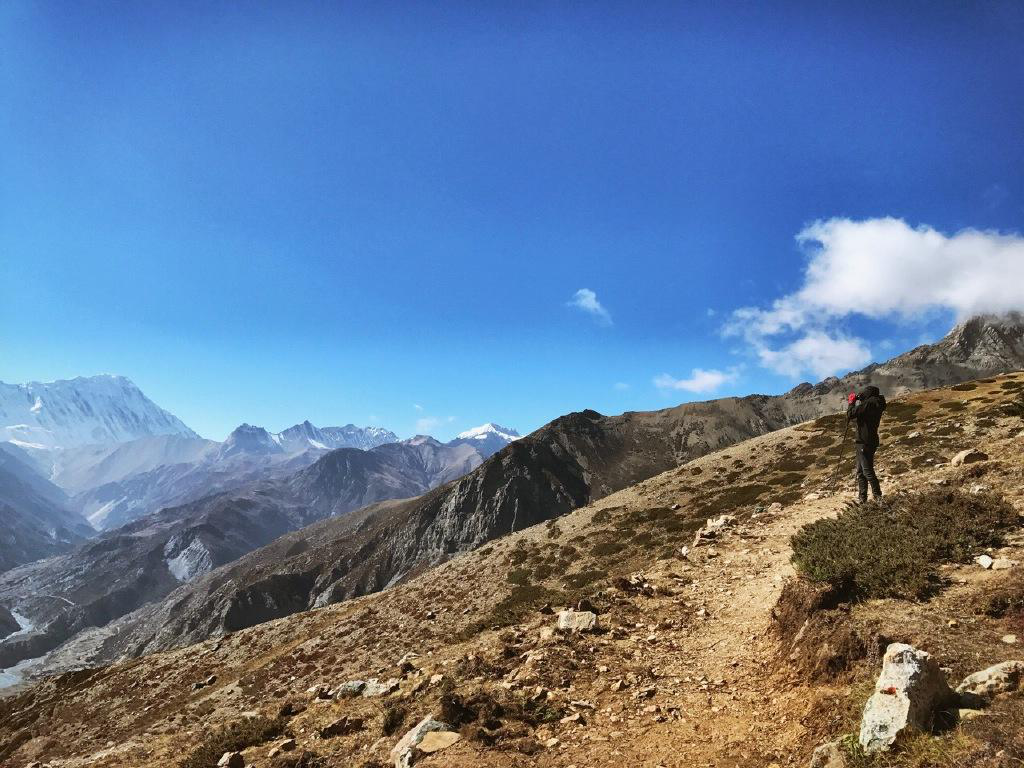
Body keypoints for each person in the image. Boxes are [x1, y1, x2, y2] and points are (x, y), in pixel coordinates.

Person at [847, 385, 886, 503]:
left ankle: (878, 498)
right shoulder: (877, 403)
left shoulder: (868, 404)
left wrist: (851, 402)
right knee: (861, 472)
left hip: (863, 442)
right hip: (870, 441)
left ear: (867, 394)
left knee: (867, 471)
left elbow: (850, 414)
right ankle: (862, 499)